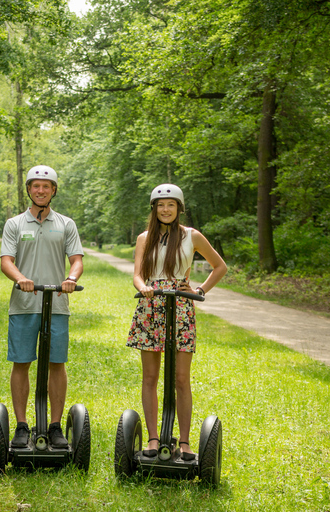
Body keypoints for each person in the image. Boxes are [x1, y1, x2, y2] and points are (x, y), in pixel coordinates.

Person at [127, 184, 227, 460]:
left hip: (181, 306)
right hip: (151, 306)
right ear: (154, 208)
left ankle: (184, 442)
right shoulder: (144, 238)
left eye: (171, 205)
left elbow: (220, 267)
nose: (165, 209)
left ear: (179, 208)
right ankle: (152, 438)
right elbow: (137, 274)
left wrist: (200, 290)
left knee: (181, 378)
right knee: (150, 377)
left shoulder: (191, 236)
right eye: (161, 205)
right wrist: (144, 286)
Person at [0, 165, 84, 449]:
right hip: (24, 304)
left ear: (54, 190)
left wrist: (71, 278)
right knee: (21, 362)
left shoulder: (65, 224)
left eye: (46, 186)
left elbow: (76, 259)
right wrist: (21, 278)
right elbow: (6, 261)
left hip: (57, 305)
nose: (40, 190)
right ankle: (22, 425)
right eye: (35, 186)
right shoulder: (14, 224)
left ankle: (55, 425)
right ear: (28, 189)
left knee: (56, 364)